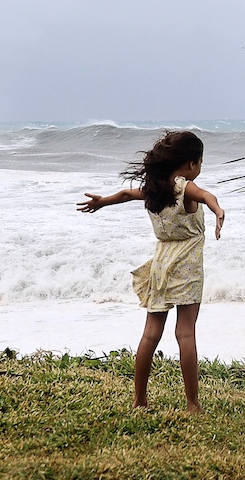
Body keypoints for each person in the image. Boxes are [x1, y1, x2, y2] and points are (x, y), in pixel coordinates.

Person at [77, 130, 224, 412]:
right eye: (201, 161)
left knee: (150, 334)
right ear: (192, 164)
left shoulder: (155, 188)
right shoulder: (184, 187)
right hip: (187, 268)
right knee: (185, 333)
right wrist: (218, 212)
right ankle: (192, 403)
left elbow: (124, 194)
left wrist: (101, 202)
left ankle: (139, 401)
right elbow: (206, 195)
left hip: (160, 264)